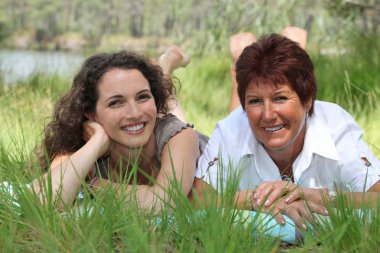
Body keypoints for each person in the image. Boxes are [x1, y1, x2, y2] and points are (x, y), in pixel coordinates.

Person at [193, 33, 380, 229]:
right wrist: (254, 200)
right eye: (255, 101)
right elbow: (196, 200)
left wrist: (315, 195)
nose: (267, 114)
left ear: (308, 100)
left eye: (280, 98)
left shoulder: (335, 125)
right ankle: (237, 68)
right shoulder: (230, 128)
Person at [32, 46, 208, 210]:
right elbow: (41, 200)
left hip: (176, 136)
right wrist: (97, 141)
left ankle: (166, 64)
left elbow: (163, 203)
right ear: (91, 115)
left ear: (155, 99)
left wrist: (92, 185)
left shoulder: (180, 136)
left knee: (170, 112)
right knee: (151, 115)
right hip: (148, 125)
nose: (134, 112)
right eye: (116, 102)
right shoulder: (84, 145)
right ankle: (163, 69)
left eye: (143, 97)